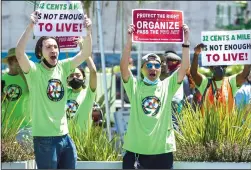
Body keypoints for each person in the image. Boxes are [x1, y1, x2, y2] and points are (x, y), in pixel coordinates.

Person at [15, 11, 92, 169]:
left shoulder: (63, 67)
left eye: (56, 46)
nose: (54, 50)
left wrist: (88, 32)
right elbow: (19, 54)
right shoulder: (34, 71)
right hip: (44, 138)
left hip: (65, 136)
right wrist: (30, 27)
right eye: (48, 47)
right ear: (40, 53)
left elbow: (85, 53)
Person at [120, 24, 190, 169]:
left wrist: (186, 40)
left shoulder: (167, 86)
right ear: (142, 69)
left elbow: (184, 67)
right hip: (136, 150)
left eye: (157, 65)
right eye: (149, 65)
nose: (153, 68)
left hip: (162, 151)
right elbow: (123, 67)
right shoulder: (134, 86)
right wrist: (129, 41)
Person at [190, 43, 251, 114]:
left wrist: (248, 53)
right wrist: (196, 54)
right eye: (215, 65)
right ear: (211, 68)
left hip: (228, 125)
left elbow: (244, 75)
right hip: (208, 125)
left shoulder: (231, 82)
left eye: (222, 65)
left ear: (225, 68)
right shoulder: (205, 82)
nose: (219, 67)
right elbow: (193, 73)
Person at [1, 47, 32, 144]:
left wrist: (24, 74)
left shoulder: (28, 77)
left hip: (26, 126)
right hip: (7, 126)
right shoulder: (2, 79)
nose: (20, 62)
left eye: (21, 59)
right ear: (10, 62)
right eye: (17, 59)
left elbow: (34, 91)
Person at [66, 55, 97, 132]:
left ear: (84, 78)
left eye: (78, 75)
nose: (74, 78)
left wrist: (85, 53)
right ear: (67, 79)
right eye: (71, 76)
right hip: (65, 139)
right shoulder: (64, 93)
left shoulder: (88, 93)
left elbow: (93, 71)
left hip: (82, 140)